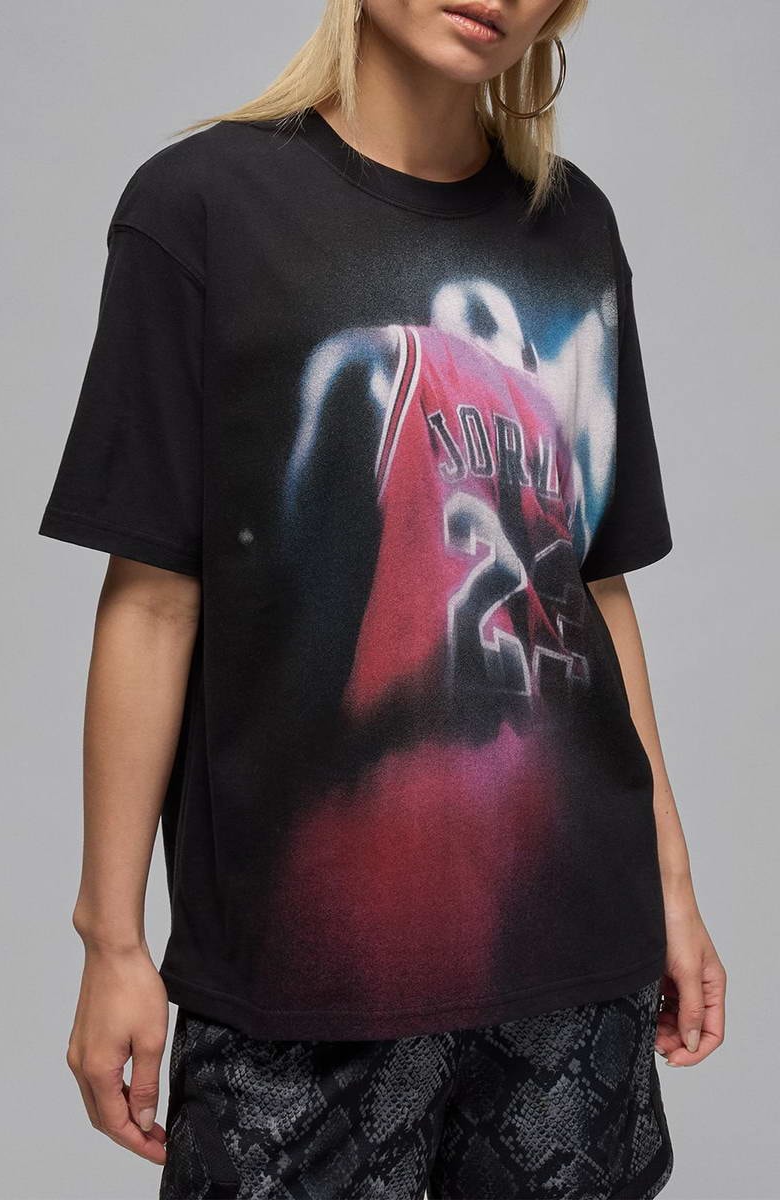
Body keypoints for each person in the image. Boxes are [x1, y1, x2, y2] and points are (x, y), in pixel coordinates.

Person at [37, 1, 727, 1196]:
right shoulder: (200, 209)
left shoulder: (572, 228)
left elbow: (590, 585)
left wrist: (671, 887)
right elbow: (151, 601)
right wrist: (111, 940)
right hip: (300, 973)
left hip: (569, 961)